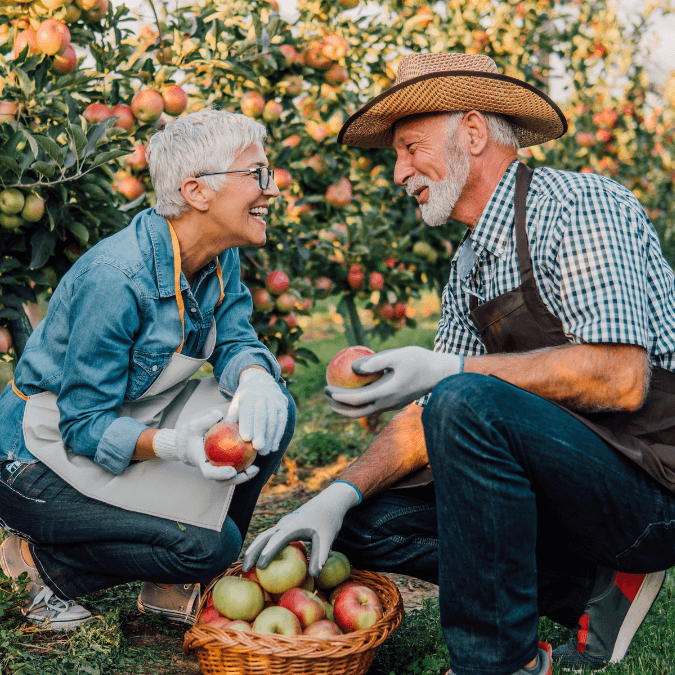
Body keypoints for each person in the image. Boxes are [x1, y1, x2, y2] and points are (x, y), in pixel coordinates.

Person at [243, 52, 675, 675]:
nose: (398, 172)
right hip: (563, 482)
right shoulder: (470, 264)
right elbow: (428, 415)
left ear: (472, 133)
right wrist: (335, 496)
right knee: (365, 525)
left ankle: (500, 664)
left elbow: (621, 376)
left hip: (650, 486)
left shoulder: (579, 206)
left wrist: (449, 374)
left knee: (465, 400)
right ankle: (597, 585)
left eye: (411, 147)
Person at [0, 108, 296, 631]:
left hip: (130, 414)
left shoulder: (217, 256)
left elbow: (233, 336)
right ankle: (42, 566)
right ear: (197, 191)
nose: (271, 190)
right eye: (257, 174)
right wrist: (178, 447)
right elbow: (83, 424)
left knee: (273, 413)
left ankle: (170, 574)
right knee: (208, 545)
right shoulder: (117, 279)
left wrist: (253, 375)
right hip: (34, 456)